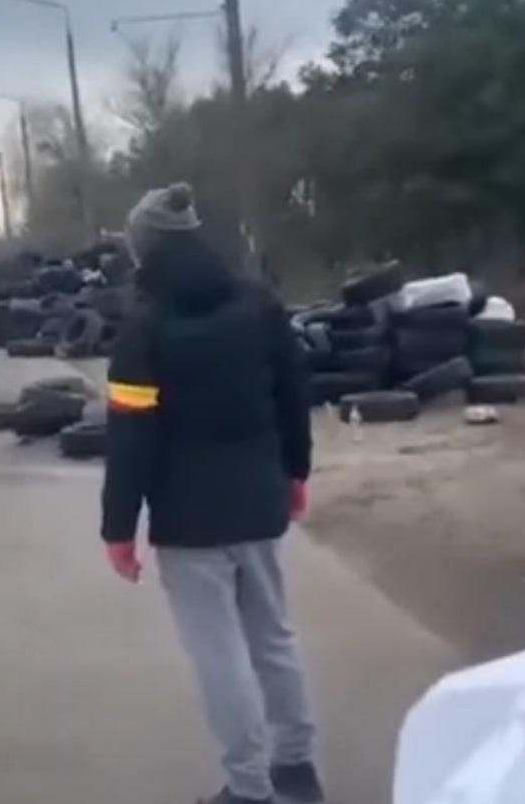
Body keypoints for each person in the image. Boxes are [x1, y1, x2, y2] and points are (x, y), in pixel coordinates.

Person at [100, 183, 322, 804]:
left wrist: (119, 527)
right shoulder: (259, 304)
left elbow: (130, 438)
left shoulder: (142, 330)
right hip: (258, 501)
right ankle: (297, 770)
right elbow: (292, 394)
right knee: (273, 637)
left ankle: (250, 789)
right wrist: (295, 472)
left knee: (219, 655)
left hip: (189, 520)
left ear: (144, 249)